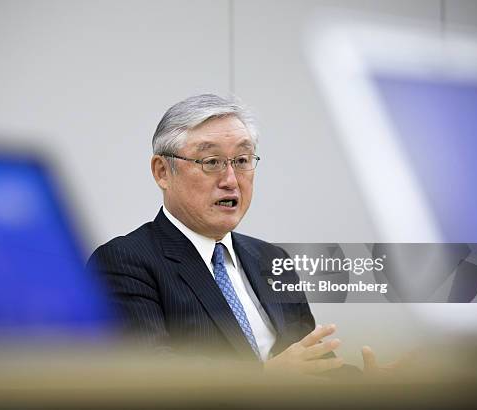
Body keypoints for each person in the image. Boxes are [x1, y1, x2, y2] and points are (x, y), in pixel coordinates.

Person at [88, 94, 383, 375]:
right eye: (211, 162)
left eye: (242, 161)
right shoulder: (124, 261)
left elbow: (309, 364)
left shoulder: (271, 259)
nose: (230, 180)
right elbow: (150, 372)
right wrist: (263, 378)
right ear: (163, 171)